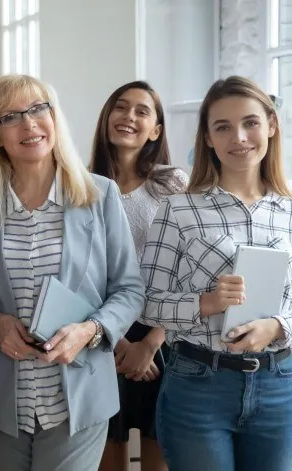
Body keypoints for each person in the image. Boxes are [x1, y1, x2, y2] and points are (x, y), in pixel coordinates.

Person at [139, 76, 292, 471]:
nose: (239, 137)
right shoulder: (178, 210)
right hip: (197, 386)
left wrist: (277, 327)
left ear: (271, 126)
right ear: (207, 139)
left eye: (251, 123)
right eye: (222, 127)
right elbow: (145, 302)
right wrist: (205, 303)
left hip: (277, 387)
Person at [0, 74, 144, 471]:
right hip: (0, 403)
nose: (29, 124)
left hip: (79, 398)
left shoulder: (100, 195)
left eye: (38, 109)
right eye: (10, 117)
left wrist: (90, 330)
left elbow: (130, 291)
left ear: (54, 117)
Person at [89, 81, 187, 471]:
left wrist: (149, 344)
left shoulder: (172, 184)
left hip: (161, 337)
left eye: (142, 111)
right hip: (101, 337)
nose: (129, 116)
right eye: (121, 107)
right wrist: (114, 339)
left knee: (155, 456)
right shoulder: (82, 185)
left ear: (156, 130)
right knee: (105, 454)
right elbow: (82, 274)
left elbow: (186, 269)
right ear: (107, 117)